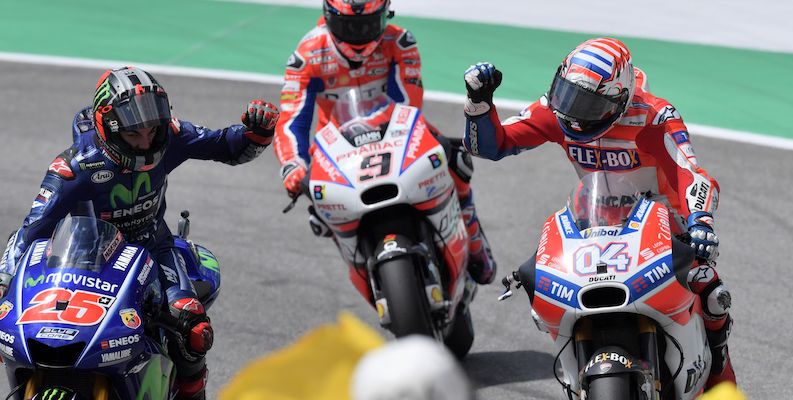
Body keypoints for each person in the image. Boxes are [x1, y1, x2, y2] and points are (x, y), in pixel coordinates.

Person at [462, 38, 735, 388]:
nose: (575, 113)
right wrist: (478, 104)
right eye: (568, 95)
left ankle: (720, 371)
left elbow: (690, 172)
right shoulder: (558, 111)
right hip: (593, 225)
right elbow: (491, 145)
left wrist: (701, 221)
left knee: (710, 291)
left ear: (621, 98)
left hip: (663, 228)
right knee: (540, 282)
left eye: (590, 104)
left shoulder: (654, 116)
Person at [0, 66, 279, 399]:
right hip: (86, 259)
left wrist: (257, 131)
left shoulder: (172, 135)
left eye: (152, 131)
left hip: (153, 248)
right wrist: (4, 278)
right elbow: (31, 231)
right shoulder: (75, 167)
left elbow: (226, 146)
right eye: (134, 135)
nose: (147, 141)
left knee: (194, 330)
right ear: (110, 130)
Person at [273, 0, 496, 284]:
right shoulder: (306, 55)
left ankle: (474, 241)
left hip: (397, 129)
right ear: (328, 18)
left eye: (369, 24)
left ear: (385, 15)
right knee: (318, 208)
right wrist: (293, 165)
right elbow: (293, 118)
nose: (359, 34)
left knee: (454, 159)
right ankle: (361, 265)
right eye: (349, 25)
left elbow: (409, 103)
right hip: (335, 145)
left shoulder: (400, 41)